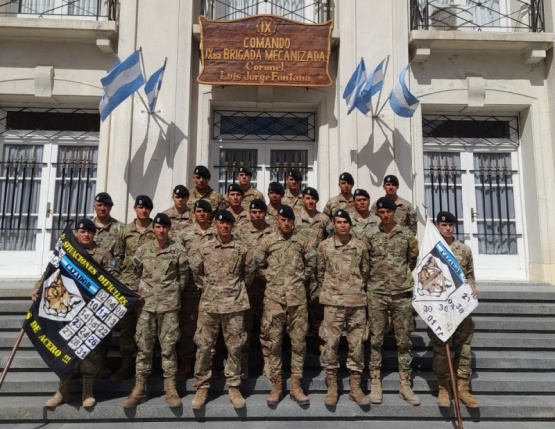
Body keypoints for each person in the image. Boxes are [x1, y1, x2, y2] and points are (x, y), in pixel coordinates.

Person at [33, 218, 117, 408]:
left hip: (90, 311)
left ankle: (87, 390)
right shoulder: (66, 251)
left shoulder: (102, 254)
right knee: (64, 348)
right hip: (66, 309)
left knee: (89, 350)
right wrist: (38, 289)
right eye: (82, 231)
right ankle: (63, 390)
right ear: (76, 233)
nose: (86, 234)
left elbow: (112, 280)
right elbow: (50, 272)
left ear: (94, 234)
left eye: (90, 232)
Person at [252, 205, 316, 407]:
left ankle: (296, 385)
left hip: (297, 300)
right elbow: (256, 265)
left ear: (293, 221)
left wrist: (300, 279)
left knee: (298, 343)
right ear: (277, 221)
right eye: (282, 219)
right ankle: (277, 384)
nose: (286, 223)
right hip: (274, 300)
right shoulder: (267, 241)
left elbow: (312, 264)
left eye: (289, 219)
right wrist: (269, 276)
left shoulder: (303, 241)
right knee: (274, 343)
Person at [122, 213, 188, 408]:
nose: (161, 231)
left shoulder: (177, 250)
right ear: (153, 229)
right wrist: (139, 292)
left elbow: (183, 276)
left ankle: (171, 388)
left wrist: (173, 292)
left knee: (168, 348)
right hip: (146, 307)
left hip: (169, 307)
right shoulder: (143, 251)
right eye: (158, 227)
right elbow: (134, 273)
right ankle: (139, 388)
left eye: (164, 227)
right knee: (144, 349)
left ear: (169, 229)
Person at [189, 210, 251, 410]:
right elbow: (197, 273)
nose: (225, 226)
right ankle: (202, 386)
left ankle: (234, 386)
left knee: (235, 347)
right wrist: (210, 288)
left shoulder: (242, 248)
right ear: (215, 223)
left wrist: (235, 289)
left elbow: (248, 273)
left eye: (228, 223)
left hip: (234, 304)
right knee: (204, 346)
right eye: (221, 223)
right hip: (209, 304)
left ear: (233, 225)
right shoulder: (204, 247)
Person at [365, 197, 420, 406]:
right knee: (376, 339)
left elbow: (412, 260)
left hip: (401, 293)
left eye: (389, 211)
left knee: (404, 340)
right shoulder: (369, 235)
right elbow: (365, 263)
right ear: (378, 213)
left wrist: (401, 277)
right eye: (382, 211)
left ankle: (405, 384)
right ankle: (376, 383)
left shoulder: (407, 235)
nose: (386, 214)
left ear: (394, 213)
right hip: (377, 293)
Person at [316, 210, 370, 406]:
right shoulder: (324, 247)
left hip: (356, 302)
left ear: (350, 224)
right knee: (331, 343)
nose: (342, 225)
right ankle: (332, 386)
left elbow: (365, 271)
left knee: (357, 344)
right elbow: (319, 272)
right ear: (333, 224)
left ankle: (356, 386)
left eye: (345, 222)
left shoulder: (360, 247)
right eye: (338, 222)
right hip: (333, 302)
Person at [429, 211, 479, 409]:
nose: (447, 228)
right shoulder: (432, 250)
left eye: (451, 225)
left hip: (461, 307)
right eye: (443, 225)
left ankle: (462, 388)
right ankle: (443, 387)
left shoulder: (464, 250)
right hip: (441, 307)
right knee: (441, 348)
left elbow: (470, 275)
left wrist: (473, 287)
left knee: (464, 348)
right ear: (437, 226)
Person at [111, 195, 156, 382]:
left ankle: (145, 368)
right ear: (135, 209)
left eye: (146, 208)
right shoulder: (125, 231)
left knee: (147, 328)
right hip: (128, 287)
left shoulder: (157, 229)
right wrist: (119, 280)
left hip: (149, 286)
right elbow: (117, 257)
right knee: (127, 328)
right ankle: (126, 365)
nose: (143, 210)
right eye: (140, 207)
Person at [175, 199, 215, 380]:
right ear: (193, 213)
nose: (202, 214)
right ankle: (185, 363)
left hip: (211, 288)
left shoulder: (217, 233)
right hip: (190, 288)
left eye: (205, 211)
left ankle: (207, 365)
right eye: (198, 211)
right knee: (188, 327)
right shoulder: (184, 234)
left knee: (209, 329)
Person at [235, 199, 273, 379]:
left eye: (260, 212)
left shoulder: (273, 230)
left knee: (268, 327)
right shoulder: (240, 231)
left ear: (265, 213)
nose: (257, 215)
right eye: (254, 212)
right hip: (247, 287)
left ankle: (268, 364)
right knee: (244, 327)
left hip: (268, 287)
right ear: (249, 213)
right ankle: (243, 365)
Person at [91, 191, 123, 379]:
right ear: (94, 206)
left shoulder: (120, 229)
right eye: (99, 205)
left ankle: (102, 363)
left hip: (109, 285)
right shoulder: (85, 227)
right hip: (87, 286)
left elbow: (123, 257)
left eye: (106, 206)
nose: (102, 208)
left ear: (110, 208)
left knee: (104, 327)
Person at [296, 187, 330, 354]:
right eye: (307, 198)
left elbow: (331, 240)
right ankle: (298, 345)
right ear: (302, 199)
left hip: (317, 270)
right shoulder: (295, 218)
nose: (310, 201)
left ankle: (319, 342)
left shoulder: (323, 219)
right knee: (299, 309)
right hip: (299, 270)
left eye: (313, 199)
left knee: (318, 308)